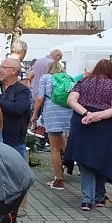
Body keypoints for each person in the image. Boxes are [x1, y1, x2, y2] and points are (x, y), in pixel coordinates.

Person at [64, 59, 112, 212]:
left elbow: (71, 100)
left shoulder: (83, 82)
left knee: (85, 160)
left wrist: (87, 113)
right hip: (104, 126)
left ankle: (86, 200)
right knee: (101, 158)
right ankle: (99, 198)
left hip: (82, 123)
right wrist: (99, 115)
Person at [30, 60, 72, 190]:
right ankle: (76, 164)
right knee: (64, 143)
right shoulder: (69, 78)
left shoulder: (45, 78)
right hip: (69, 114)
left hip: (52, 115)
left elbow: (40, 98)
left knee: (54, 148)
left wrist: (35, 115)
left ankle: (59, 180)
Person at [0, 57, 32, 159]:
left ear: (13, 71)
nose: (0, 70)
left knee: (16, 172)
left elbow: (17, 109)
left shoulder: (22, 90)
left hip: (14, 142)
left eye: (3, 67)